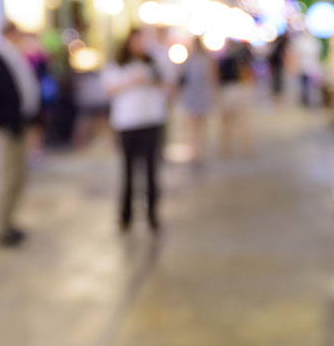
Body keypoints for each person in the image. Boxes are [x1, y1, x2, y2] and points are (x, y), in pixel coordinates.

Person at [0, 21, 40, 247]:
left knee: (17, 177)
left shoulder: (16, 57)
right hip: (5, 129)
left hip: (18, 125)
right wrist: (5, 122)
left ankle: (8, 222)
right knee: (4, 178)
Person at [102, 29, 170, 231]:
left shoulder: (154, 63)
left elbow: (168, 86)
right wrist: (130, 82)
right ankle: (126, 215)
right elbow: (108, 89)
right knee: (128, 171)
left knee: (151, 170)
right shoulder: (118, 65)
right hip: (127, 123)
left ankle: (152, 214)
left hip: (151, 121)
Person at [177, 35, 216, 165]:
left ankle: (197, 149)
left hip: (198, 95)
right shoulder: (196, 60)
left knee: (196, 124)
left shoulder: (198, 60)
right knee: (195, 124)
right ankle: (196, 150)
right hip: (195, 95)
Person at [217, 40, 254, 156]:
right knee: (241, 120)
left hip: (228, 90)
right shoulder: (240, 59)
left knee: (227, 122)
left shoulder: (223, 60)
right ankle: (246, 146)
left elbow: (218, 77)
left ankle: (227, 148)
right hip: (238, 89)